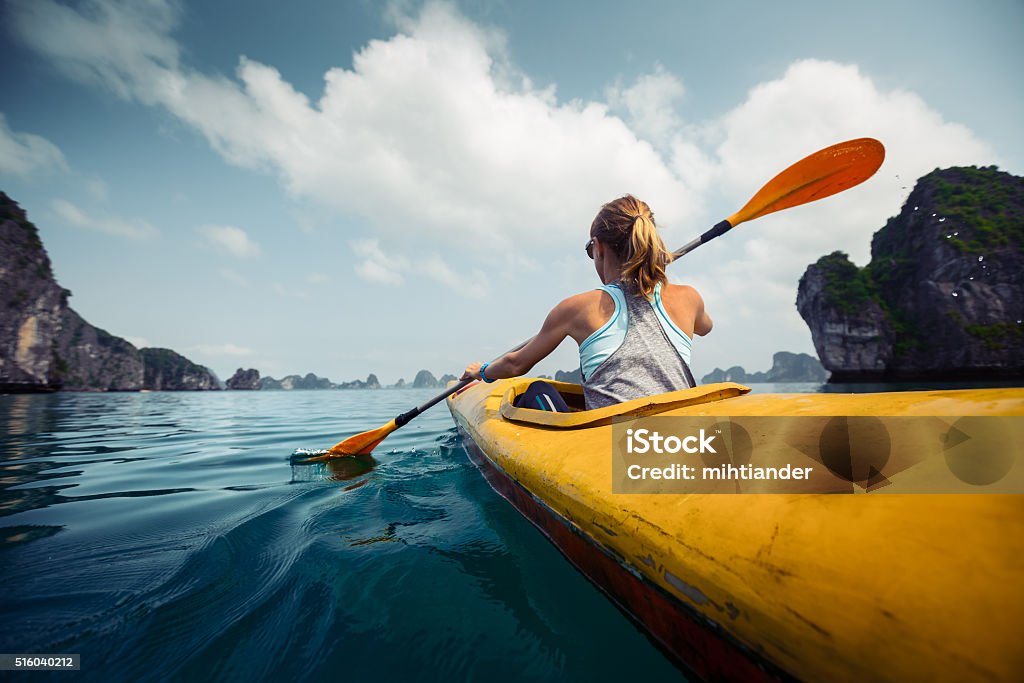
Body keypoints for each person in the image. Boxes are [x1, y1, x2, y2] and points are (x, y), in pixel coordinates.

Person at [461, 195, 713, 410]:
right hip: (679, 435)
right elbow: (705, 327)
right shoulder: (689, 298)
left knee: (537, 391)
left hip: (613, 445)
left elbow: (516, 364)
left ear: (599, 247)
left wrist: (481, 371)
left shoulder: (577, 308)